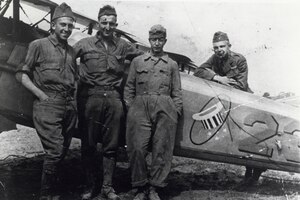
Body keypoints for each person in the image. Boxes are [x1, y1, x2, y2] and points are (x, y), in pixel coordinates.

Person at [73, 5, 142, 200]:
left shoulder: (123, 46)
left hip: (113, 98)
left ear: (116, 25)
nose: (107, 26)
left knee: (111, 147)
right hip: (90, 98)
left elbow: (142, 57)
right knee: (88, 144)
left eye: (111, 23)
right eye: (104, 22)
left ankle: (108, 187)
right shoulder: (84, 44)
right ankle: (89, 186)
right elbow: (66, 60)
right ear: (98, 23)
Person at [15, 3, 77, 199]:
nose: (66, 29)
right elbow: (21, 74)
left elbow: (74, 80)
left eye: (70, 26)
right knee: (55, 151)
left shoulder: (72, 52)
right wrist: (41, 95)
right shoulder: (38, 45)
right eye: (62, 25)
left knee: (62, 151)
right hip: (48, 104)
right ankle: (46, 195)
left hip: (68, 106)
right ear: (53, 25)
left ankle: (55, 193)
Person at [194, 31, 265, 186]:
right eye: (216, 47)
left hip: (244, 102)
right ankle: (249, 175)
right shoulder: (215, 59)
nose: (219, 50)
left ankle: (254, 174)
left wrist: (221, 82)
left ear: (229, 46)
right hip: (229, 103)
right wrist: (217, 78)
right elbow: (198, 71)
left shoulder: (239, 60)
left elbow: (240, 85)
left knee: (250, 139)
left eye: (222, 46)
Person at [124, 24, 183, 200]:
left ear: (165, 41)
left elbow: (177, 92)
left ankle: (155, 187)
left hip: (165, 107)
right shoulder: (138, 61)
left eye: (160, 40)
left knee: (161, 149)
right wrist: (132, 108)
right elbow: (129, 88)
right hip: (140, 106)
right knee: (137, 148)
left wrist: (175, 112)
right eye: (153, 40)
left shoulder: (172, 64)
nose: (157, 43)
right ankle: (140, 186)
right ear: (149, 40)